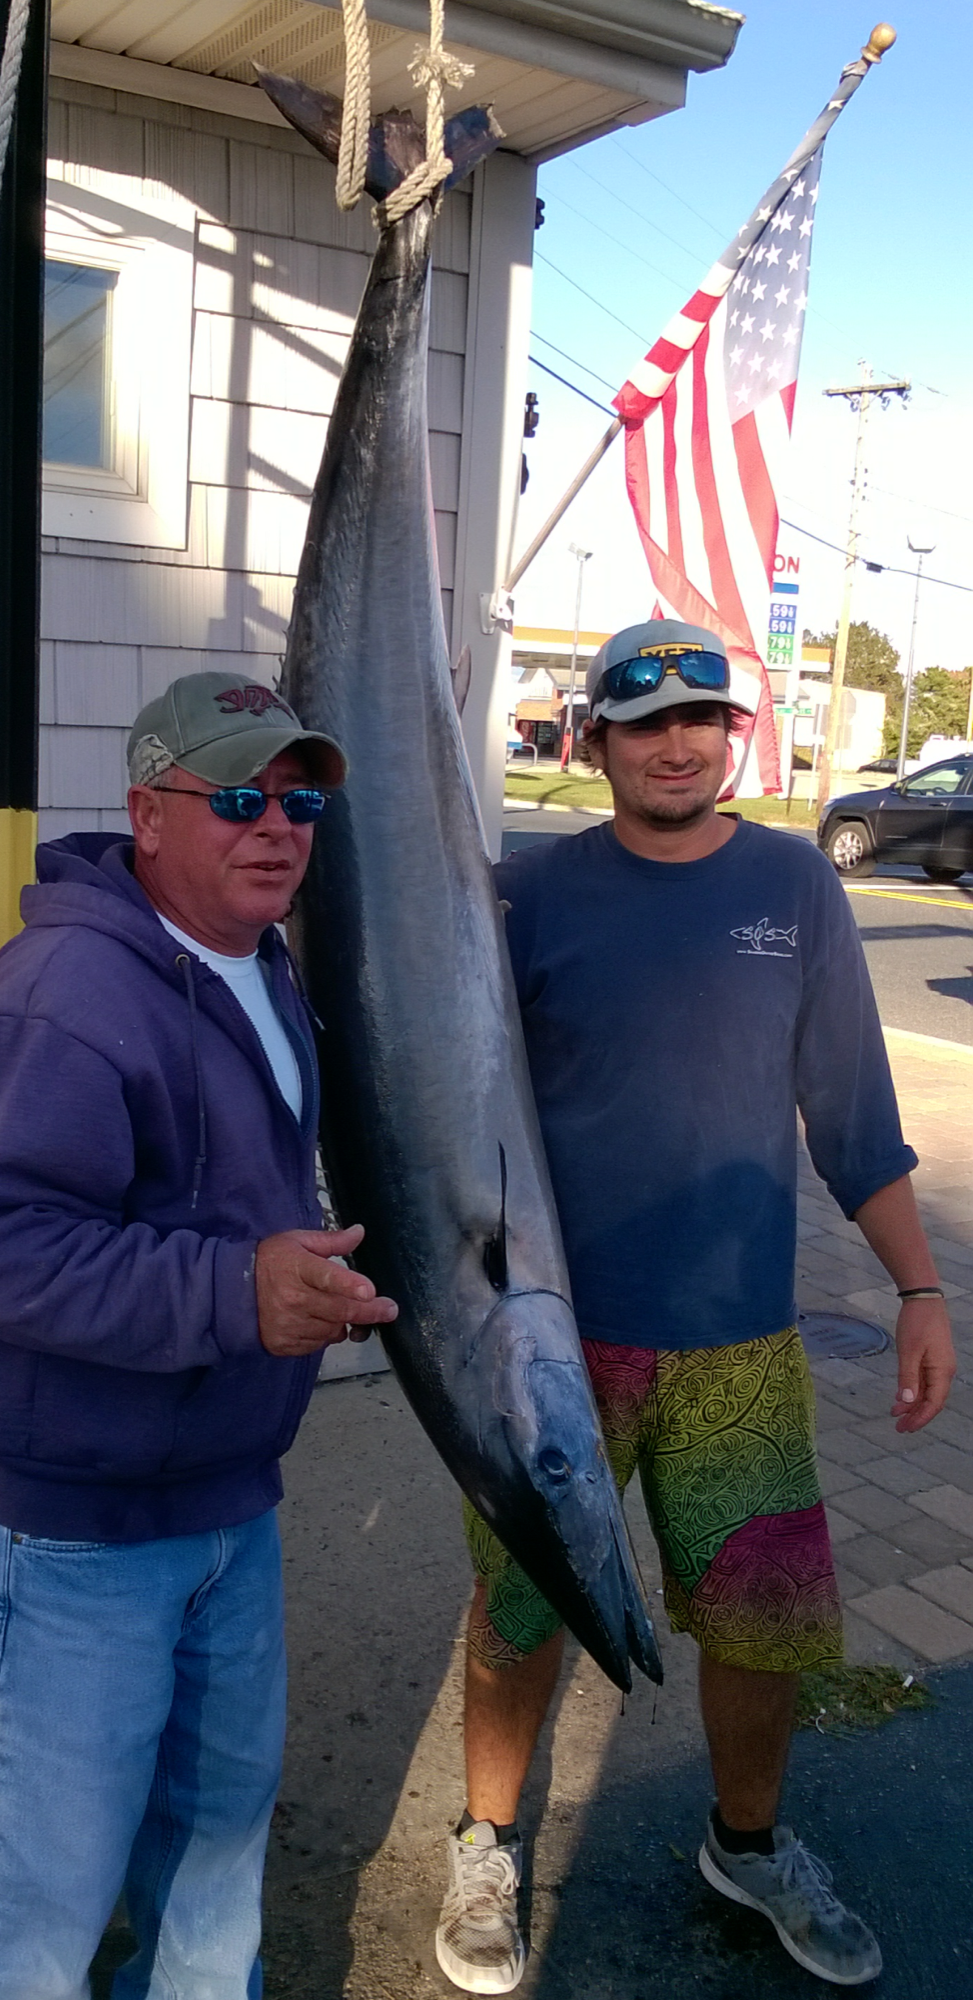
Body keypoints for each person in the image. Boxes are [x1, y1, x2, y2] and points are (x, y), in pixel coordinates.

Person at [435, 620, 956, 1995]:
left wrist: (917, 1285)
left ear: (735, 740)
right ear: (592, 740)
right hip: (546, 1341)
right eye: (644, 720)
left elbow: (853, 1117)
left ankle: (750, 1843)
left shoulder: (796, 883)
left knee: (762, 1620)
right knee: (522, 1608)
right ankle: (486, 1841)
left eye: (703, 720)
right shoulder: (526, 900)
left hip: (738, 1343)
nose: (678, 742)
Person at [0, 670, 397, 2000]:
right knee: (27, 1911)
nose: (277, 825)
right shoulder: (66, 985)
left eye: (299, 800)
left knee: (209, 1867)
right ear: (147, 811)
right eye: (238, 795)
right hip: (72, 1542)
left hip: (228, 1511)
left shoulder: (261, 963)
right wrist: (237, 1295)